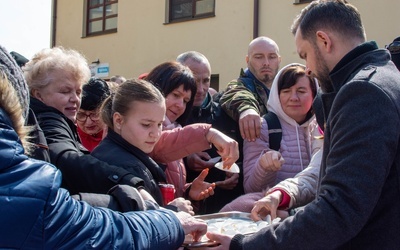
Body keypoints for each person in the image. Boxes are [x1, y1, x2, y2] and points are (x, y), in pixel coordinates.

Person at [206, 0, 400, 249]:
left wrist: (245, 245)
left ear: (324, 41)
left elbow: (339, 209)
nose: (307, 69)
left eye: (305, 55)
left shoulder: (362, 91)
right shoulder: (385, 76)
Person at [0, 47, 207, 249]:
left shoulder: (57, 119)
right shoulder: (49, 120)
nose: (75, 98)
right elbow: (66, 164)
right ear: (37, 94)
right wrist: (135, 191)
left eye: (78, 90)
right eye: (65, 91)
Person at [92, 78, 239, 214]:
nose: (155, 133)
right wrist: (173, 211)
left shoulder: (129, 150)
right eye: (146, 125)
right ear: (118, 120)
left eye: (159, 124)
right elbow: (136, 226)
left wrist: (188, 193)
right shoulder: (123, 165)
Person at [220, 63, 322, 212]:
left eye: (301, 91)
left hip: (315, 213)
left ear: (314, 94)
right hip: (274, 212)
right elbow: (251, 188)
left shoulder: (324, 128)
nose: (293, 98)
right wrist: (264, 166)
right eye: (286, 91)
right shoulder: (262, 127)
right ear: (276, 95)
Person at [177, 51, 244, 213]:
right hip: (185, 209)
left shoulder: (226, 114)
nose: (201, 89)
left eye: (206, 80)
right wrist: (186, 158)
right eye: (194, 81)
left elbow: (245, 154)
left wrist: (234, 170)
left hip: (224, 209)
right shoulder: (172, 114)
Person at [144, 61, 216, 205]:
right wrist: (209, 134)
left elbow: (171, 189)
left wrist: (189, 193)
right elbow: (160, 146)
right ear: (157, 90)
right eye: (176, 95)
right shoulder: (143, 128)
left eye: (186, 100)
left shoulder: (174, 127)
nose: (180, 105)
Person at [219, 36, 282, 142]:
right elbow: (236, 93)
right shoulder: (240, 85)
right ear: (247, 60)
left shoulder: (285, 87)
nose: (266, 62)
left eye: (272, 57)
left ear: (279, 60)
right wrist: (247, 109)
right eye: (258, 57)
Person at [76, 77, 111, 152]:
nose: (89, 122)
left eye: (95, 114)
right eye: (81, 115)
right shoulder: (70, 135)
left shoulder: (119, 134)